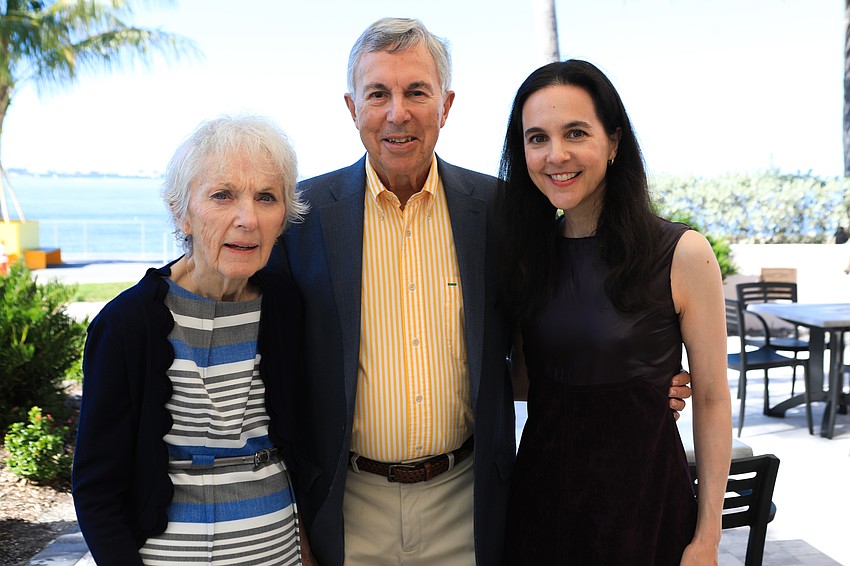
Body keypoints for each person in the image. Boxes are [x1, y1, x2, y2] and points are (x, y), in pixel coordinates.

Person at [269, 18, 693, 566]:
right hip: (348, 508)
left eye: (416, 92)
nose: (398, 112)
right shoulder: (300, 217)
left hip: (468, 505)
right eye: (378, 93)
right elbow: (270, 372)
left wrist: (633, 377)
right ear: (352, 108)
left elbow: (551, 334)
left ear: (445, 106)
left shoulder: (500, 212)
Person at [498, 60, 732, 565]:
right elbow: (524, 379)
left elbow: (713, 397)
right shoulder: (526, 257)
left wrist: (707, 536)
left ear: (615, 142)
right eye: (536, 138)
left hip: (646, 507)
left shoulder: (682, 253)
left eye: (575, 132)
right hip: (542, 508)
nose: (555, 154)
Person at [72, 116, 313, 565]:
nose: (247, 218)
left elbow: (301, 447)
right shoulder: (127, 324)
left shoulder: (286, 306)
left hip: (276, 553)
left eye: (266, 197)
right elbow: (96, 488)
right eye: (222, 195)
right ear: (181, 211)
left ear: (283, 218)